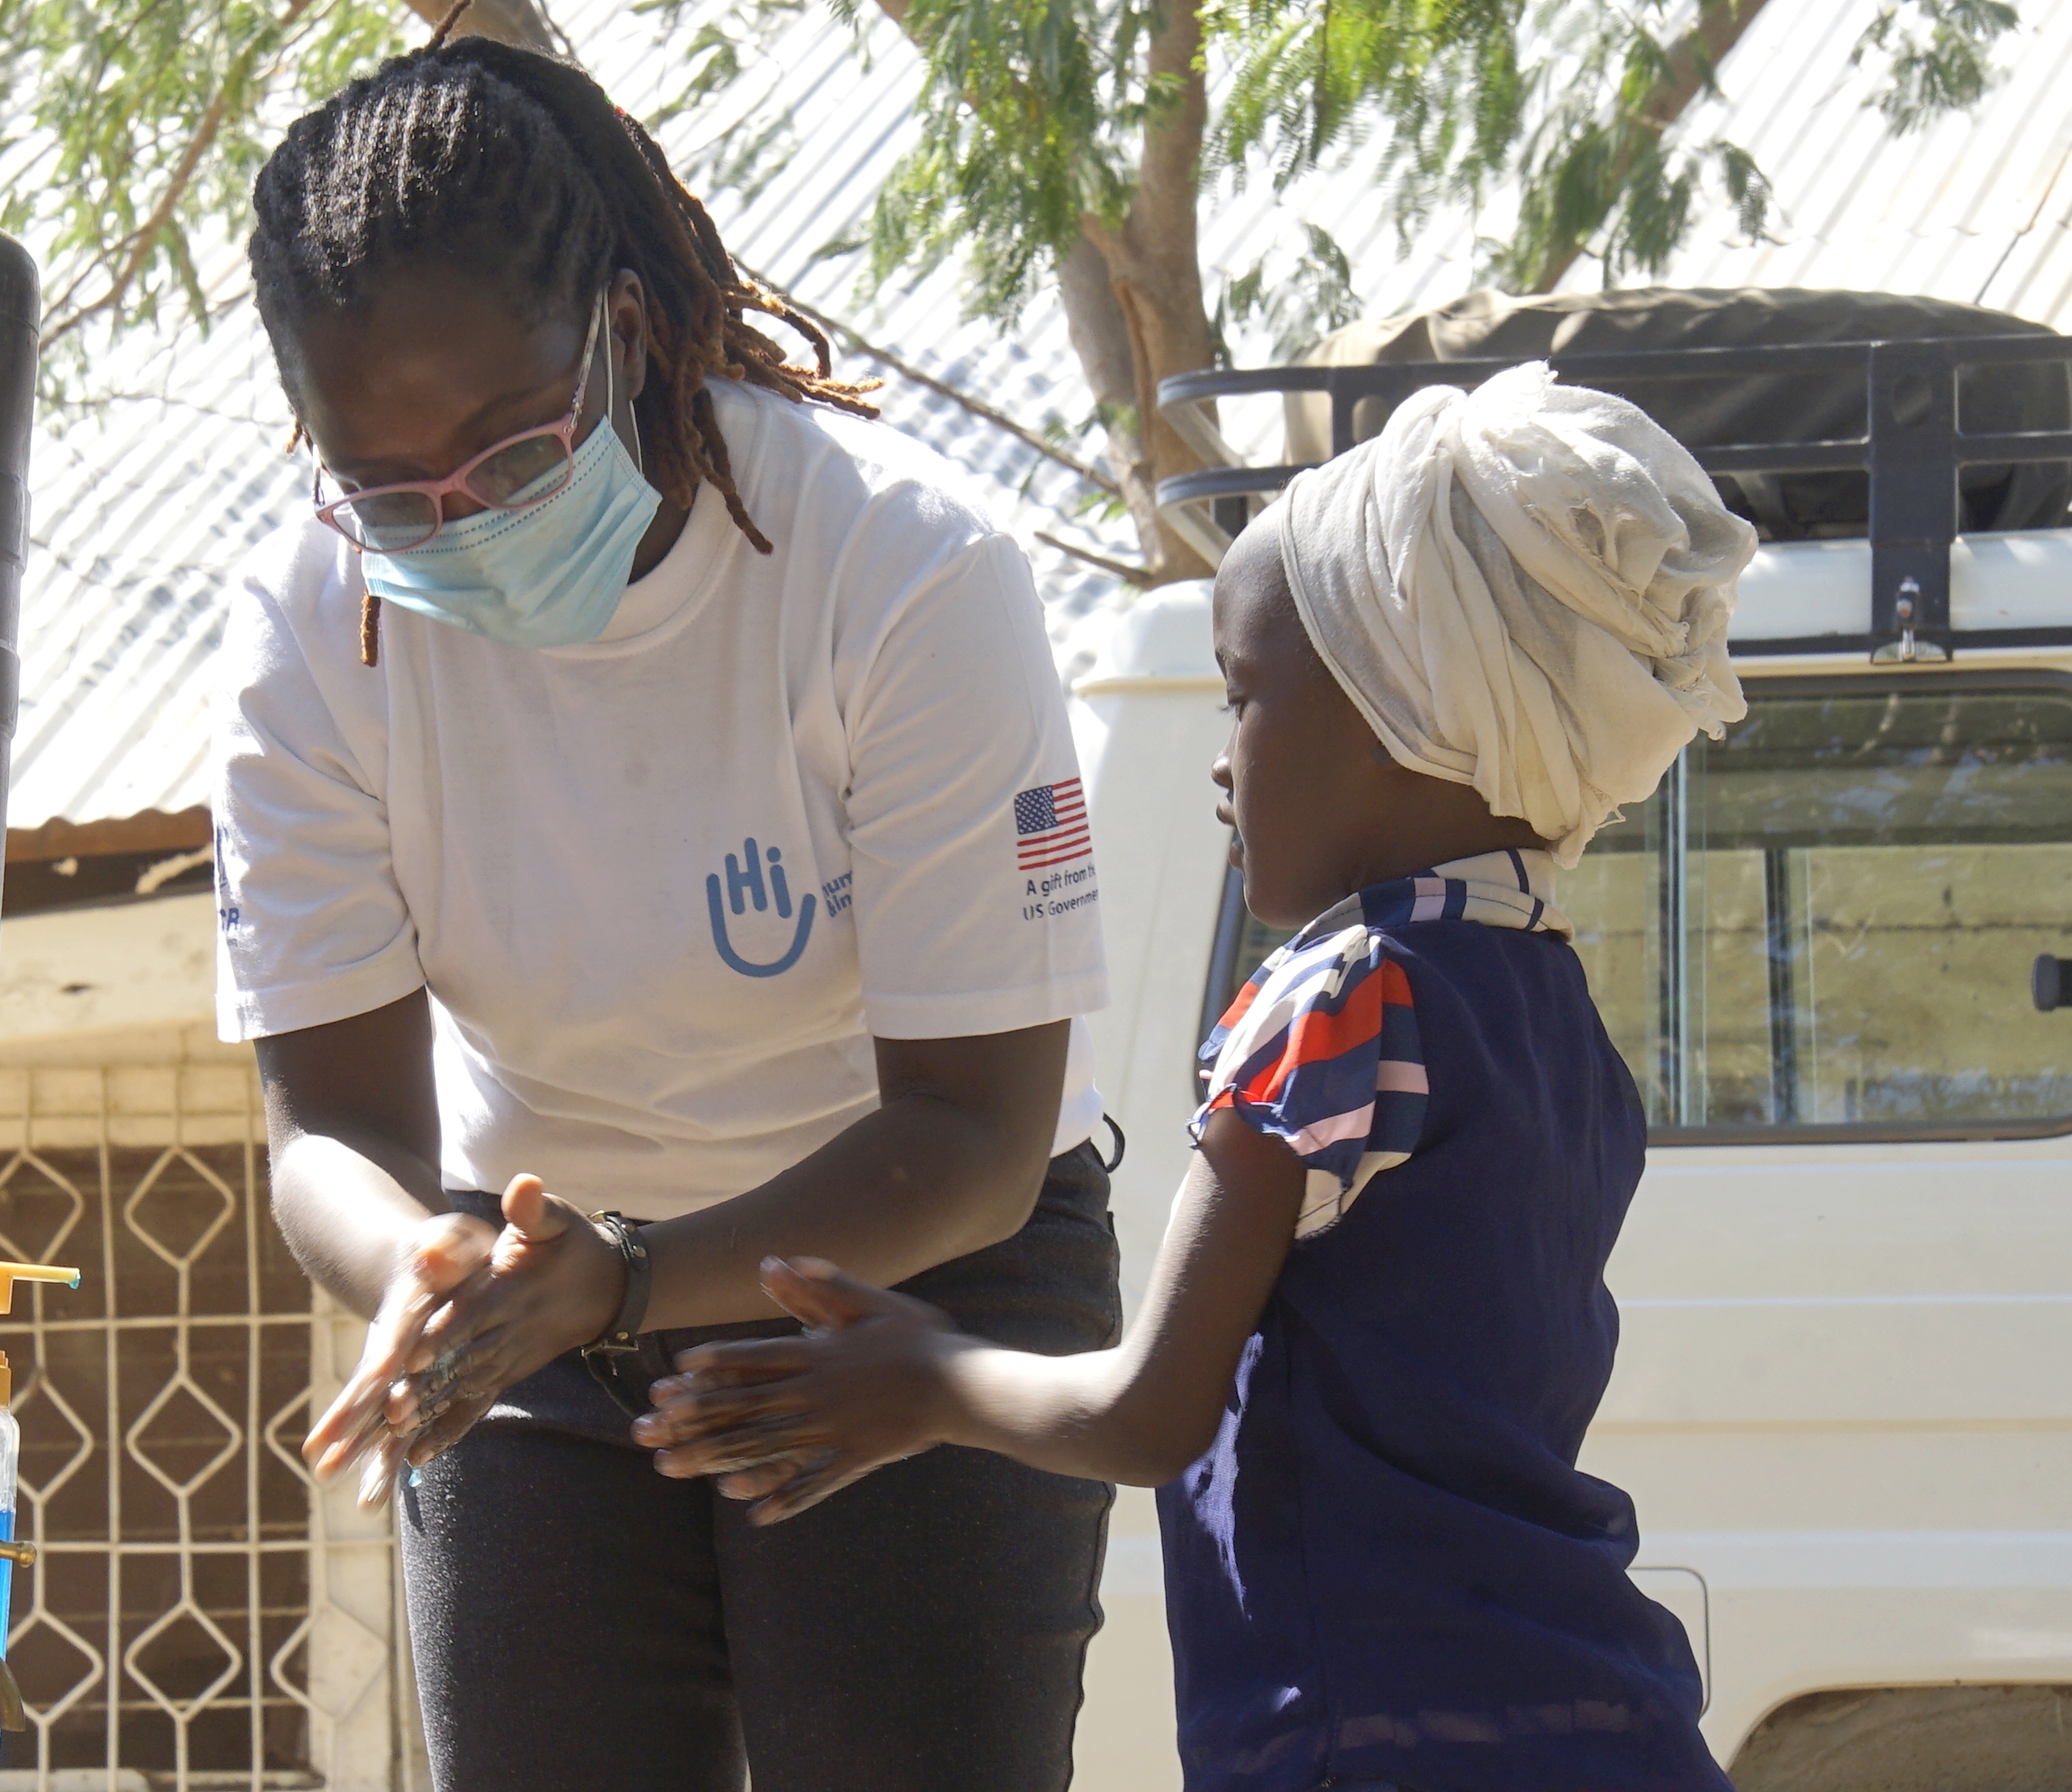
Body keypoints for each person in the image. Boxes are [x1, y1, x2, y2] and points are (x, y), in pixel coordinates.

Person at [636, 361, 1753, 1792]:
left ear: (1399, 716)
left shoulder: (1338, 1001)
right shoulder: (1557, 1017)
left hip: (1370, 1731)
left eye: (1244, 702)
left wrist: (920, 1379)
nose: (1224, 766)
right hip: (1594, 1714)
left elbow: (1149, 1413)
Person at [214, 28, 1118, 1792]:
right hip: (536, 1297)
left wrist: (624, 1281)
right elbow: (331, 1126)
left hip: (912, 1281)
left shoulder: (904, 576)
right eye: (388, 490)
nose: (456, 520)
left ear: (623, 326)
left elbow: (978, 1129)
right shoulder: (310, 636)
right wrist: (423, 1265)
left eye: (509, 451)